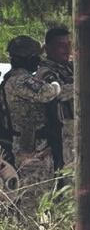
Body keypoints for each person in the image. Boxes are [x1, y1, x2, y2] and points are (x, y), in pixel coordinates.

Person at [1, 36, 64, 217]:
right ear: (27, 58)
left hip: (34, 147)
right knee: (31, 201)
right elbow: (48, 92)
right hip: (29, 150)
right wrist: (54, 82)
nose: (38, 60)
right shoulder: (19, 80)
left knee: (41, 198)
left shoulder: (15, 79)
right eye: (36, 56)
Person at [37, 25, 75, 171]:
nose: (66, 49)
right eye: (61, 45)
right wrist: (85, 84)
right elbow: (58, 92)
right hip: (61, 134)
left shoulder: (68, 68)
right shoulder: (45, 72)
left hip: (75, 132)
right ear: (47, 49)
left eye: (68, 45)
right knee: (67, 176)